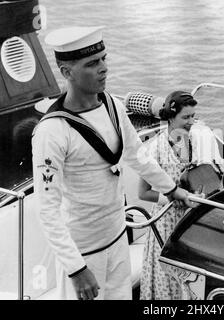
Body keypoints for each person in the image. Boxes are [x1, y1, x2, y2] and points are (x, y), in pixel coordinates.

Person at [31, 26, 195, 300]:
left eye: (104, 59)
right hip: (84, 251)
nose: (104, 68)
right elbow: (47, 210)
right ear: (66, 72)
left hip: (118, 237)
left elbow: (137, 155)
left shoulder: (111, 105)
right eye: (93, 63)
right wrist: (76, 269)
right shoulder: (53, 131)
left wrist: (172, 190)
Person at [138, 90, 224, 299]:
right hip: (167, 222)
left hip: (192, 218)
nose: (191, 122)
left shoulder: (195, 141)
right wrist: (172, 199)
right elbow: (142, 193)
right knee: (169, 282)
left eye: (193, 117)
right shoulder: (153, 149)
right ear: (171, 117)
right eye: (186, 117)